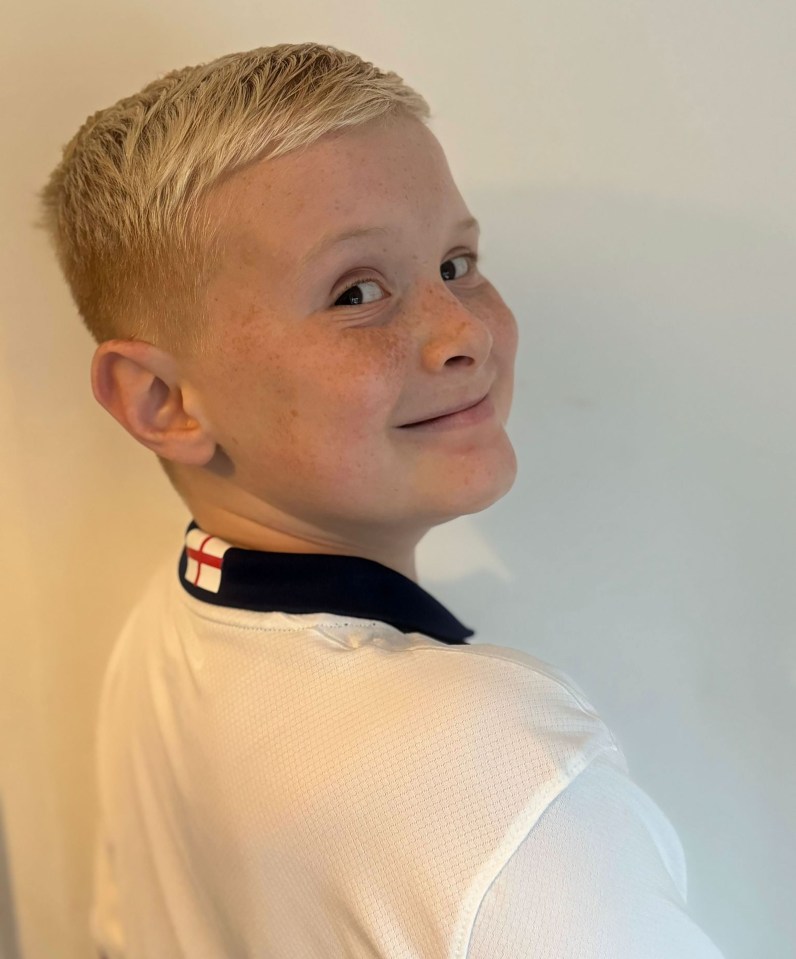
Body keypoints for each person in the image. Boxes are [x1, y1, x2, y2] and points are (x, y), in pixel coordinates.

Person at [37, 43, 726, 958]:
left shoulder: (169, 629)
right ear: (162, 401)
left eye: (457, 261)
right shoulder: (502, 778)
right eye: (357, 292)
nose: (466, 329)